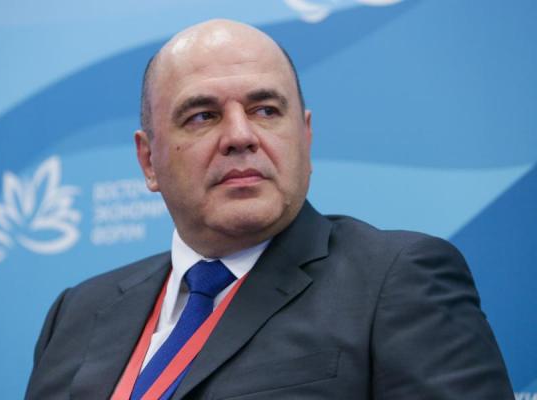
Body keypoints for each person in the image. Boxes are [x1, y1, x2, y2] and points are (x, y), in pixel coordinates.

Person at [25, 19, 514, 399]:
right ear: (148, 161)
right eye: (203, 116)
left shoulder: (397, 280)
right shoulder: (77, 313)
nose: (240, 136)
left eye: (265, 111)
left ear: (305, 136)